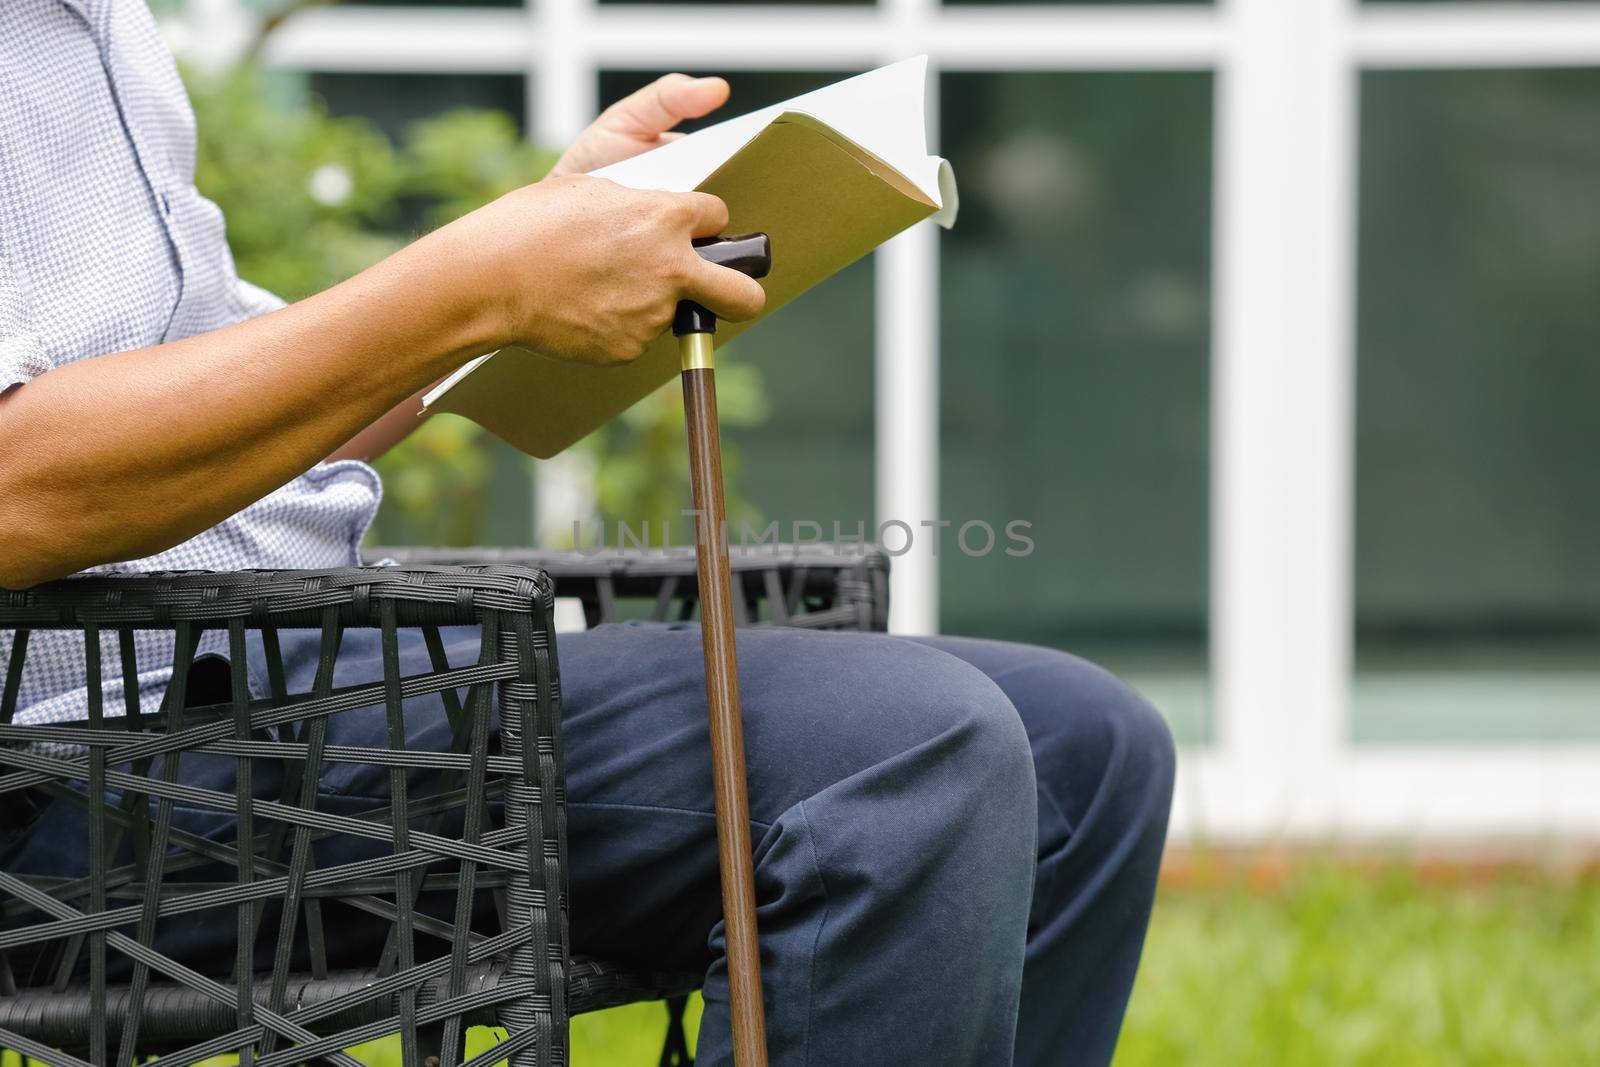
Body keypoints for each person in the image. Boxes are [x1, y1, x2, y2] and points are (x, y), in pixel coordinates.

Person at [0, 3, 1176, 1064]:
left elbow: (245, 415)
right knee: (903, 749)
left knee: (1085, 744)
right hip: (69, 770)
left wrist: (543, 237)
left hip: (267, 680)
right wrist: (478, 282)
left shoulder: (93, 24)